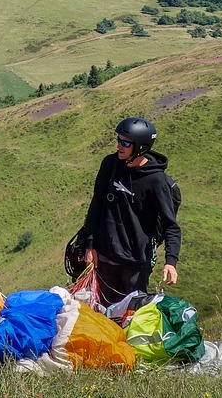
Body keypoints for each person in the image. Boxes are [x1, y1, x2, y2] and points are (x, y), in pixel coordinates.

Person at [81, 117, 181, 306]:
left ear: (141, 147)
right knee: (103, 314)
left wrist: (171, 261)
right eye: (118, 140)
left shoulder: (156, 181)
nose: (119, 145)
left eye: (125, 142)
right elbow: (96, 205)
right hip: (104, 258)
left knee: (131, 316)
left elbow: (171, 225)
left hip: (135, 264)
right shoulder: (110, 165)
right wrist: (90, 245)